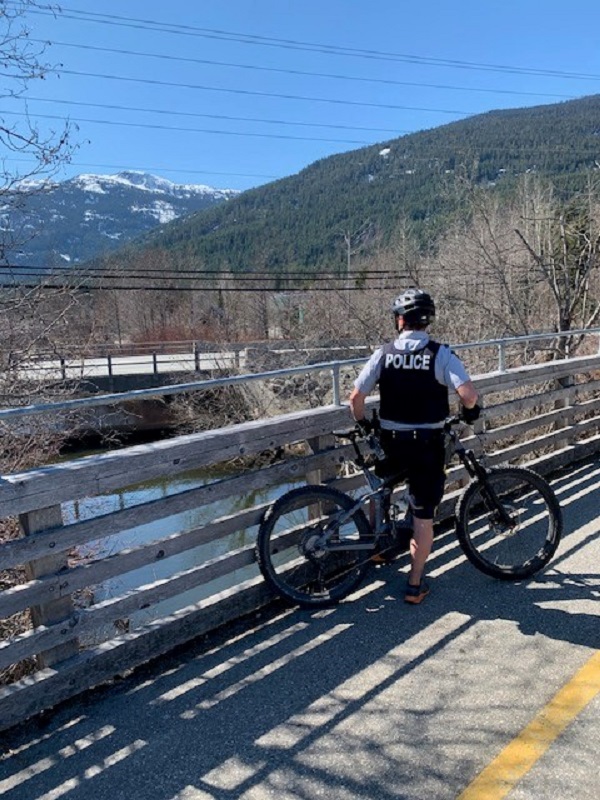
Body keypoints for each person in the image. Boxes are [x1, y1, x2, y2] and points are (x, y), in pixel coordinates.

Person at [349, 288, 480, 605]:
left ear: (400, 321)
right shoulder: (440, 354)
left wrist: (365, 424)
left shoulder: (383, 353)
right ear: (427, 320)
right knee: (423, 517)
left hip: (391, 443)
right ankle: (414, 584)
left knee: (380, 490)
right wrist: (470, 412)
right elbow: (469, 395)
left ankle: (378, 549)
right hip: (427, 446)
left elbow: (355, 399)